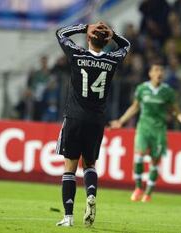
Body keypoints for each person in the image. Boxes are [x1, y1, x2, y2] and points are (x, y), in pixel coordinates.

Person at [55, 22, 130, 227]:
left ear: (89, 38)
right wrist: (112, 34)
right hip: (97, 121)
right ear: (106, 42)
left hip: (74, 118)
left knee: (69, 169)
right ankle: (90, 195)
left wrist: (85, 26)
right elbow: (126, 45)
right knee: (89, 165)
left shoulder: (77, 55)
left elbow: (60, 33)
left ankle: (68, 217)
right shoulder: (112, 60)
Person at [110, 62, 181, 202]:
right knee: (140, 156)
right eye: (156, 70)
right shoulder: (142, 89)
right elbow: (135, 107)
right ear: (150, 74)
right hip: (143, 128)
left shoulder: (168, 91)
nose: (159, 73)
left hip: (159, 130)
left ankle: (148, 193)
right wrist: (121, 121)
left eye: (161, 70)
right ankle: (137, 189)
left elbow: (175, 109)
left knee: (155, 162)